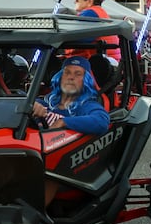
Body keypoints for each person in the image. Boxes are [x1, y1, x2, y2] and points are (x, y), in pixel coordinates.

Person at [32, 57, 112, 206]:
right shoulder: (47, 102)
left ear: (85, 81)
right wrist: (33, 105)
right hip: (34, 157)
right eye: (67, 72)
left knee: (50, 174)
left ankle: (33, 214)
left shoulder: (86, 106)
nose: (71, 77)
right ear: (60, 77)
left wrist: (64, 122)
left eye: (78, 74)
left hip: (67, 170)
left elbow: (102, 121)